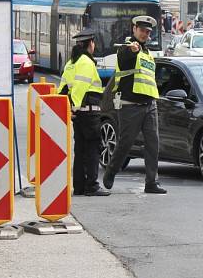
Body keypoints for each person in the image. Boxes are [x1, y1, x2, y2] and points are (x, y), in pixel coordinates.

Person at [102, 15, 166, 194]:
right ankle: (111, 171)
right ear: (134, 29)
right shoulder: (126, 48)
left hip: (149, 104)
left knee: (153, 144)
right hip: (130, 105)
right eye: (142, 30)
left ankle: (151, 182)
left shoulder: (147, 53)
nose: (145, 34)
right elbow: (124, 60)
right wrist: (132, 50)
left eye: (148, 32)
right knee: (126, 143)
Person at [58, 28, 110, 196]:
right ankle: (92, 186)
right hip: (89, 113)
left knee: (80, 150)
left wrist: (67, 108)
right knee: (92, 149)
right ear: (90, 44)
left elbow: (62, 89)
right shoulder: (87, 63)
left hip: (78, 115)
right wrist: (74, 106)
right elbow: (79, 88)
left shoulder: (70, 63)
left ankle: (79, 186)